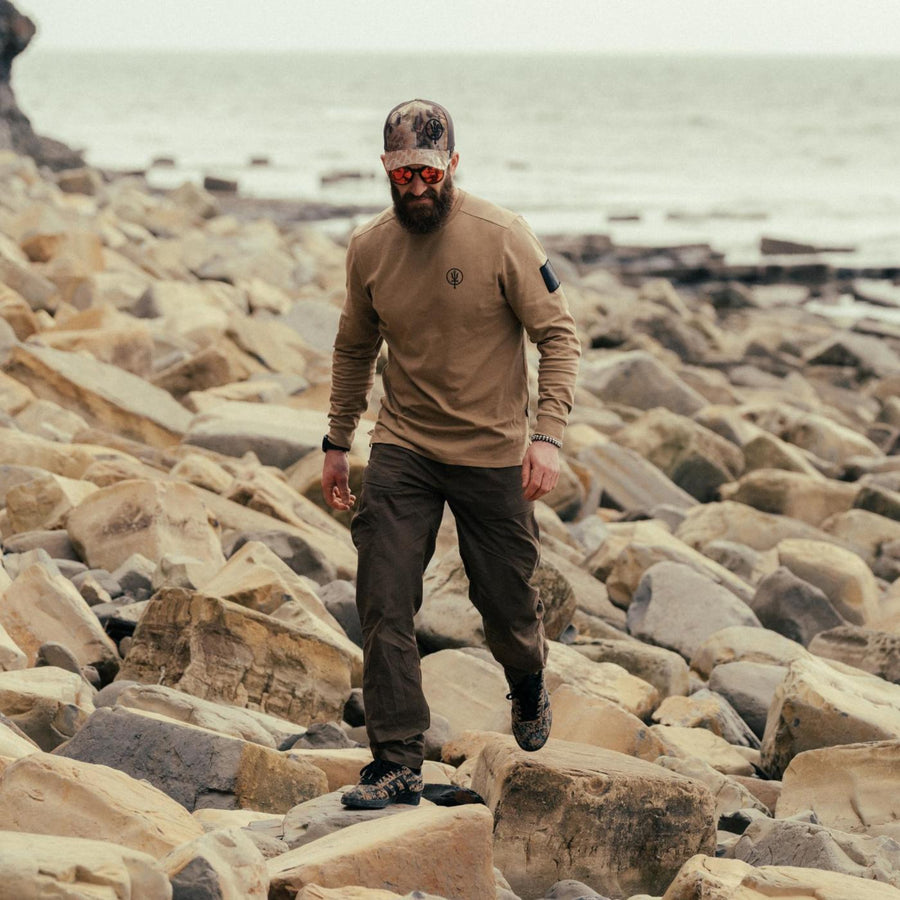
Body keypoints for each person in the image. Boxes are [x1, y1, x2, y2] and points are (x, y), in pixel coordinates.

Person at [321, 98, 580, 810]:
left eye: (429, 172)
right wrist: (338, 441)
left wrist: (547, 436)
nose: (416, 186)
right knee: (382, 600)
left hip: (493, 452)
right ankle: (398, 760)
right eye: (403, 174)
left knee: (505, 606)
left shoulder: (502, 237)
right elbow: (353, 347)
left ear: (453, 164)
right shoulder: (370, 247)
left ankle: (527, 682)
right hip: (403, 445)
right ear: (385, 167)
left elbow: (557, 336)